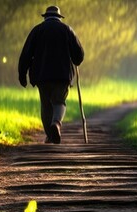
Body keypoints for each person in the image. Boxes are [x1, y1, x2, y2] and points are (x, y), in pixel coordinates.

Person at [18, 5, 84, 144]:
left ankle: (50, 135)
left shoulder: (37, 30)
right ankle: (56, 124)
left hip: (41, 75)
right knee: (59, 101)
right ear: (59, 17)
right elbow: (79, 55)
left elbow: (26, 54)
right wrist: (75, 59)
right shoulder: (67, 30)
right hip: (62, 75)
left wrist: (22, 74)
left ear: (45, 17)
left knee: (46, 105)